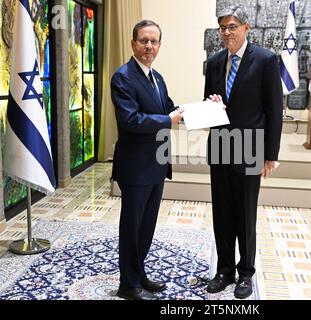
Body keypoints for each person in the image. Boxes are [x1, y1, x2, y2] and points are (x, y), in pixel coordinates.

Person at [204, 6, 283, 299]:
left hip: (250, 149)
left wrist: (270, 154)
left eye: (232, 27)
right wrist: (211, 102)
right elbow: (208, 102)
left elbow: (274, 109)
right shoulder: (213, 63)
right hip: (221, 147)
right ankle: (224, 270)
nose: (226, 33)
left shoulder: (265, 60)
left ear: (246, 27)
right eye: (222, 27)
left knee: (245, 215)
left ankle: (246, 273)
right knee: (222, 213)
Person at [110, 20, 183, 300]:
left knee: (147, 226)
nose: (149, 46)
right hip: (136, 166)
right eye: (144, 40)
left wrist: (204, 107)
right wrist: (168, 119)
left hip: (157, 162)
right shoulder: (123, 77)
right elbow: (130, 120)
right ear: (133, 43)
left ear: (159, 46)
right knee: (131, 227)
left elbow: (169, 108)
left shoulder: (157, 77)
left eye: (154, 41)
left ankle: (139, 275)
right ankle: (127, 285)